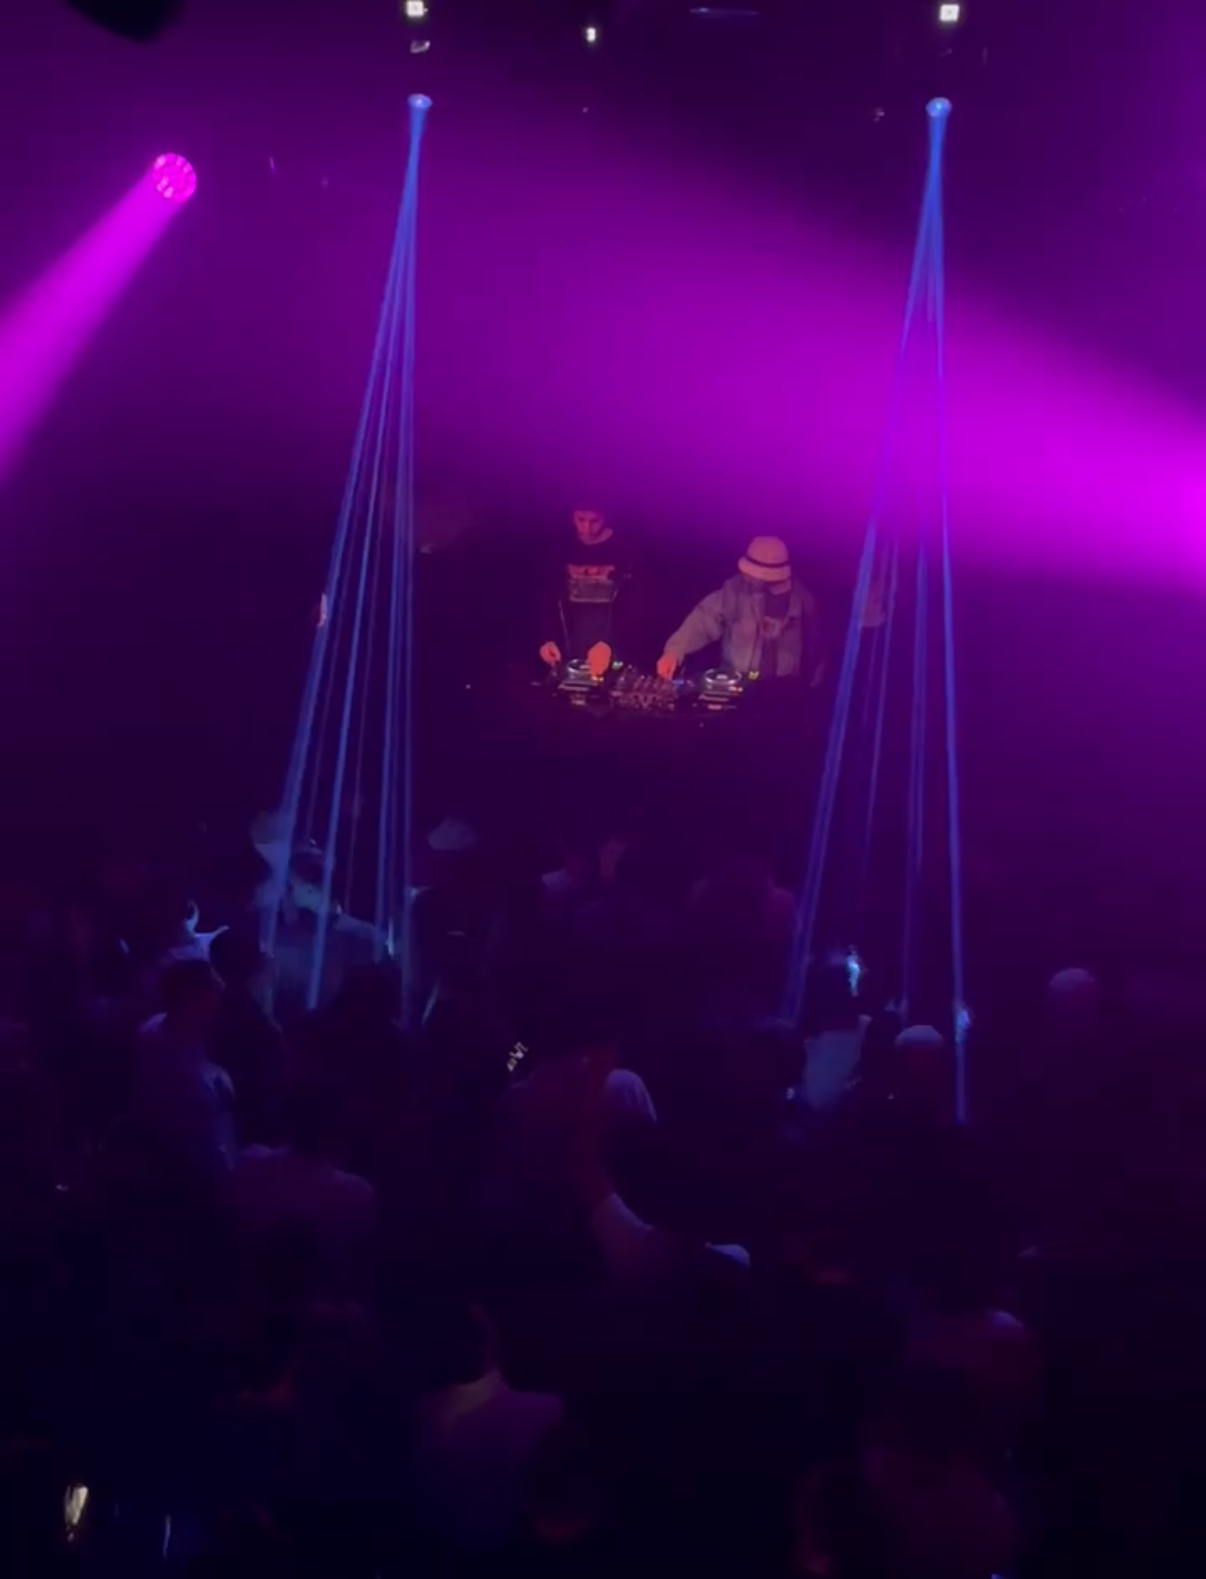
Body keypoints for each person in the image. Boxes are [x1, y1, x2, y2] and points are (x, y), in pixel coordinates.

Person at [656, 535, 821, 682]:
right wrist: (674, 652)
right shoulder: (734, 590)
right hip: (735, 682)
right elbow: (703, 620)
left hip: (784, 689)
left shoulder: (803, 600)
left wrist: (814, 683)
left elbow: (816, 647)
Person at [538, 506, 631, 679]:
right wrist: (546, 638)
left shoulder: (625, 546)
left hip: (613, 647)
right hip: (569, 650)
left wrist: (610, 643)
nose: (586, 528)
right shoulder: (559, 545)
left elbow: (635, 606)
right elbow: (547, 597)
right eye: (580, 520)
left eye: (594, 521)